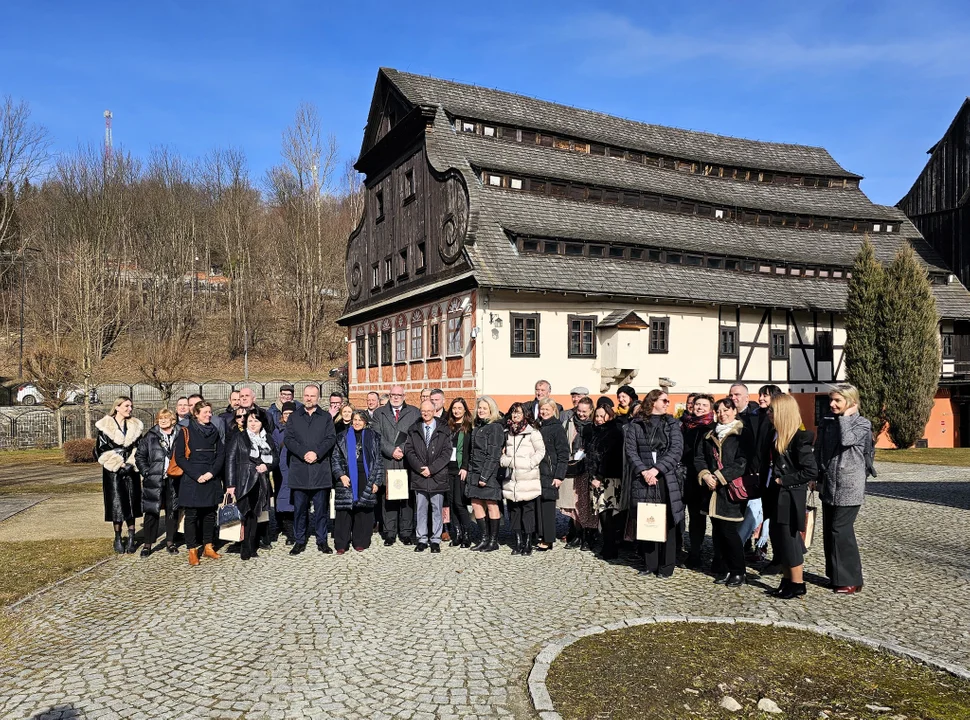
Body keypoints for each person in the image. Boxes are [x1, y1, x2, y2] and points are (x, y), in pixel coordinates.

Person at [815, 383, 871, 594]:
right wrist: (816, 475)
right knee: (830, 531)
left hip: (850, 485)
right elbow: (819, 448)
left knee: (841, 530)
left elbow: (847, 440)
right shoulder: (827, 421)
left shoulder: (862, 424)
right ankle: (836, 576)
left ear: (851, 402)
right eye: (831, 399)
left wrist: (846, 418)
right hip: (829, 483)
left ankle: (852, 579)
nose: (832, 404)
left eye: (837, 400)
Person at [762, 394, 818, 600]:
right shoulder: (776, 435)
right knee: (778, 539)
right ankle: (786, 580)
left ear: (783, 414)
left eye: (772, 411)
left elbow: (810, 471)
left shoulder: (799, 440)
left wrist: (783, 480)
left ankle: (798, 584)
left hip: (789, 496)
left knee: (790, 540)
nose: (768, 414)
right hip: (776, 496)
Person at [625, 389, 684, 578]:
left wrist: (656, 470)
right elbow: (631, 451)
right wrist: (643, 471)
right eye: (664, 400)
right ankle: (650, 563)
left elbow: (676, 450)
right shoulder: (636, 425)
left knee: (668, 521)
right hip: (643, 477)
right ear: (653, 402)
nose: (668, 403)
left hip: (666, 477)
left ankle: (666, 567)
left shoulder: (672, 423)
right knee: (648, 518)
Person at [694, 397, 748, 586]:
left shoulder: (742, 434)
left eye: (726, 410)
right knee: (717, 531)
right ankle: (723, 567)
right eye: (719, 411)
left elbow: (742, 462)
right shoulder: (709, 434)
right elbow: (699, 458)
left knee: (729, 532)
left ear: (734, 411)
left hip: (729, 491)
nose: (722, 414)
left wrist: (719, 477)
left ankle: (739, 570)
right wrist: (706, 475)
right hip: (711, 491)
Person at [284, 384, 338, 555]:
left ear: (318, 398)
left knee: (321, 509)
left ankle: (322, 540)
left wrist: (317, 453)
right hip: (300, 470)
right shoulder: (294, 417)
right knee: (300, 510)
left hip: (320, 469)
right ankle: (300, 540)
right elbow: (289, 439)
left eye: (312, 396)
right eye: (306, 395)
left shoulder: (325, 417)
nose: (308, 398)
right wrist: (303, 453)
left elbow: (331, 438)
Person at [174, 400, 226, 566]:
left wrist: (211, 473)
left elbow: (221, 455)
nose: (209, 415)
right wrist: (197, 475)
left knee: (210, 514)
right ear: (196, 414)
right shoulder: (185, 431)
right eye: (205, 412)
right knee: (192, 515)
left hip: (211, 476)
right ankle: (192, 550)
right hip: (192, 478)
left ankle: (208, 546)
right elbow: (180, 457)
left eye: (210, 412)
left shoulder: (215, 431)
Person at [226, 409, 278, 560]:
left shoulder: (267, 438)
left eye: (256, 420)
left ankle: (252, 545)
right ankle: (244, 546)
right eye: (250, 421)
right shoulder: (239, 437)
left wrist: (266, 466)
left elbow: (275, 458)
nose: (253, 424)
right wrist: (230, 484)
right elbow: (230, 460)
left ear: (262, 423)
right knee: (244, 513)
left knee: (255, 514)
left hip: (260, 481)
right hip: (243, 480)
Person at [95, 396, 144, 554]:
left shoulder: (135, 426)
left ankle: (131, 537)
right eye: (126, 406)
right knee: (116, 503)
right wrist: (118, 464)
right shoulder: (105, 426)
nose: (130, 409)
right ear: (117, 407)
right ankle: (117, 536)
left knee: (131, 501)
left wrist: (131, 463)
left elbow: (139, 447)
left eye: (131, 406)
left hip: (131, 470)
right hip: (113, 471)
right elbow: (100, 450)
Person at [331, 410, 384, 553]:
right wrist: (341, 475)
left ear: (365, 422)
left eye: (360, 420)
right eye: (355, 419)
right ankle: (341, 543)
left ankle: (360, 541)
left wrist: (377, 482)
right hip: (346, 478)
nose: (357, 422)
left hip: (366, 477)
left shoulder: (374, 437)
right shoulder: (342, 437)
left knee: (363, 511)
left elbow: (378, 461)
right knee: (344, 511)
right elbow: (335, 459)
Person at [373, 385, 420, 545]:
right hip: (388, 460)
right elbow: (376, 436)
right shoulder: (380, 413)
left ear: (404, 395)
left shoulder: (414, 412)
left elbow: (416, 434)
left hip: (407, 461)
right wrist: (391, 450)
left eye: (399, 394)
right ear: (389, 395)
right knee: (389, 498)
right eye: (393, 394)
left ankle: (406, 533)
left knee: (406, 499)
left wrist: (403, 448)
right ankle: (390, 533)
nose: (395, 397)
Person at [741, 384, 783, 566]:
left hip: (770, 472)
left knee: (768, 513)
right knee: (755, 510)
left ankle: (765, 547)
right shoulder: (754, 415)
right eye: (760, 395)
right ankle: (754, 545)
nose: (761, 399)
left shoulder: (779, 420)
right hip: (754, 470)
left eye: (765, 396)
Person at [404, 400, 453, 553]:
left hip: (437, 475)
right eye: (423, 411)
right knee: (421, 509)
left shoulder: (443, 429)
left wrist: (431, 469)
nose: (426, 413)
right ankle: (422, 539)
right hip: (419, 475)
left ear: (434, 411)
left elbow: (447, 452)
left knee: (437, 509)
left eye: (429, 411)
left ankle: (435, 540)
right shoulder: (413, 429)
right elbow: (409, 451)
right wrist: (420, 468)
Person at [135, 408, 181, 557]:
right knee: (151, 511)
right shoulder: (151, 436)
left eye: (166, 418)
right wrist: (146, 472)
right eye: (160, 418)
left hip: (174, 478)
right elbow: (140, 455)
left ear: (172, 420)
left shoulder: (180, 433)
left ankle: (170, 542)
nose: (162, 420)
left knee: (172, 511)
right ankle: (148, 544)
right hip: (154, 477)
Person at [501, 402, 545, 556]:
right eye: (513, 412)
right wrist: (505, 461)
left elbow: (541, 451)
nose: (515, 415)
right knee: (514, 511)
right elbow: (502, 452)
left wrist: (529, 463)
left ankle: (527, 543)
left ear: (525, 414)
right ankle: (518, 542)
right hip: (511, 479)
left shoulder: (533, 432)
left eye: (519, 412)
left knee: (527, 511)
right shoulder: (507, 432)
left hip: (527, 478)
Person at [585, 403, 625, 559]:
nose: (599, 419)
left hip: (608, 479)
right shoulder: (597, 431)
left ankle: (610, 547)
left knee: (608, 514)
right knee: (603, 513)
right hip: (598, 477)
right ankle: (607, 545)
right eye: (597, 415)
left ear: (610, 415)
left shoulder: (614, 431)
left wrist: (599, 477)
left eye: (602, 416)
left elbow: (609, 458)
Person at [680, 394, 716, 568]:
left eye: (704, 405)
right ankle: (677, 548)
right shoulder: (684, 424)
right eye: (697, 404)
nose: (700, 407)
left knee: (697, 517)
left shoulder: (711, 427)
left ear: (710, 408)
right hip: (681, 475)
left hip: (700, 477)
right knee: (678, 515)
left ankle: (695, 551)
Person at [466, 396, 506, 552]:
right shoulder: (477, 427)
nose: (481, 410)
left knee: (491, 504)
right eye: (480, 408)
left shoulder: (495, 427)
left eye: (484, 408)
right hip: (474, 471)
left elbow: (494, 454)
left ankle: (493, 541)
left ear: (491, 410)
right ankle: (484, 538)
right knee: (476, 504)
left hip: (488, 472)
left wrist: (484, 476)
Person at [560, 397, 593, 548]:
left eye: (584, 411)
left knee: (586, 503)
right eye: (579, 411)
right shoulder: (569, 423)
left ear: (591, 411)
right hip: (573, 467)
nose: (581, 414)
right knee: (573, 503)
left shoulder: (594, 425)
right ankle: (577, 534)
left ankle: (588, 536)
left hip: (588, 469)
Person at [536, 397, 568, 551]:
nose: (544, 412)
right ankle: (541, 535)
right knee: (538, 506)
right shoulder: (538, 425)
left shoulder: (557, 428)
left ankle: (548, 539)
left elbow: (563, 453)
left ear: (554, 410)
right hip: (537, 472)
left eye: (547, 409)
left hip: (550, 472)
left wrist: (559, 475)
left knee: (548, 508)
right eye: (542, 409)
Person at [446, 398, 474, 548]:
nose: (456, 411)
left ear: (465, 410)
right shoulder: (447, 426)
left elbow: (469, 450)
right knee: (451, 503)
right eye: (454, 408)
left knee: (459, 502)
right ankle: (456, 534)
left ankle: (467, 534)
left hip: (460, 469)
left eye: (459, 408)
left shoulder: (468, 427)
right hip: (447, 468)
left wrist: (465, 467)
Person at [271, 401, 296, 544]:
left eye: (290, 414)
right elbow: (274, 449)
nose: (288, 416)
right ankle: (287, 531)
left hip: (297, 470)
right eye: (285, 414)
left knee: (296, 499)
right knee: (283, 500)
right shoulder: (277, 431)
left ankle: (296, 530)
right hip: (281, 470)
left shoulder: (300, 428)